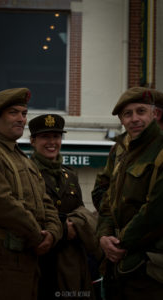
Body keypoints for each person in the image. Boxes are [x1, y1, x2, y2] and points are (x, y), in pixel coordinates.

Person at [0, 88, 62, 300]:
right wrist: (36, 235)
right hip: (2, 254)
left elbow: (45, 202)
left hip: (29, 254)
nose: (22, 119)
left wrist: (52, 233)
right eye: (14, 113)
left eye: (24, 113)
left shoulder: (22, 159)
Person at [94, 87, 163, 300]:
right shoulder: (121, 151)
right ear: (122, 120)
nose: (134, 119)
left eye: (141, 111)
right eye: (127, 114)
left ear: (155, 114)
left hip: (149, 268)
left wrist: (118, 244)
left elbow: (155, 210)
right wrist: (104, 236)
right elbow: (106, 197)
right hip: (118, 267)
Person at [28, 114, 100, 300]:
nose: (52, 142)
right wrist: (62, 226)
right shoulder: (26, 174)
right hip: (40, 262)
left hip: (71, 261)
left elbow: (81, 210)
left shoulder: (70, 175)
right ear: (33, 141)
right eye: (45, 137)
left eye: (56, 136)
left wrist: (76, 224)